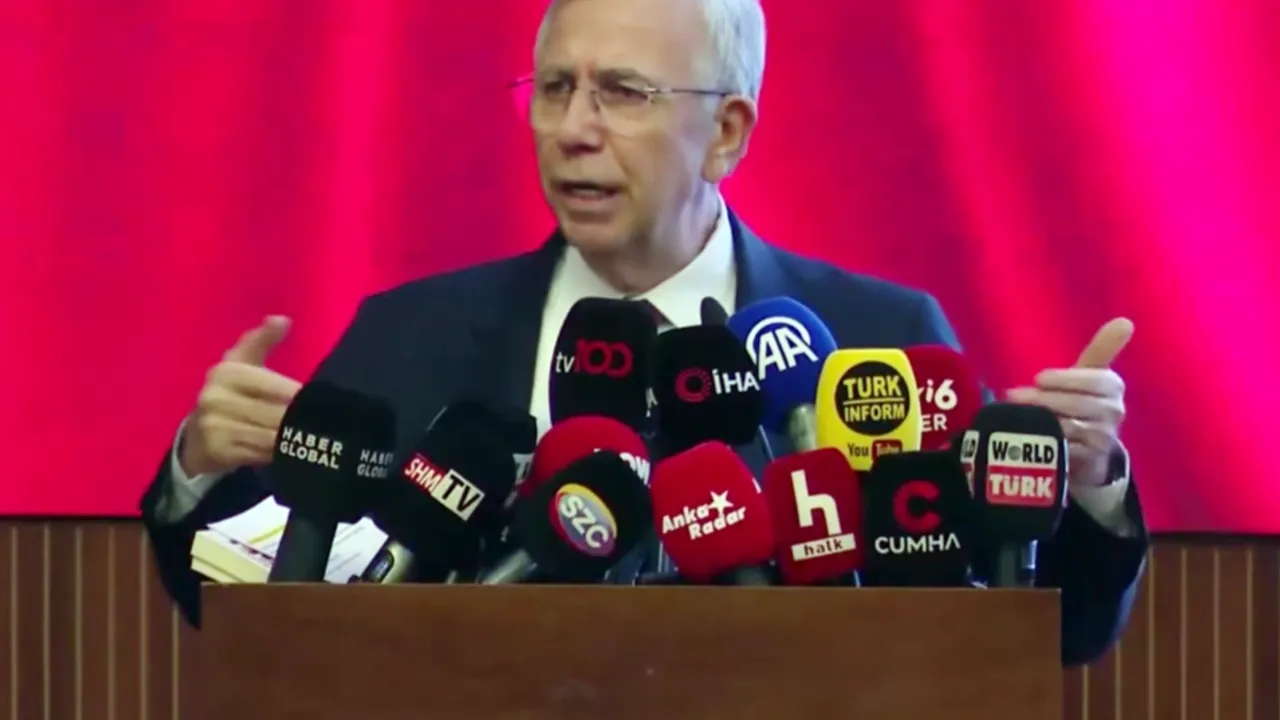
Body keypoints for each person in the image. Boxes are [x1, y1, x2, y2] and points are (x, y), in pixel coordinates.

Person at [139, 0, 1148, 665]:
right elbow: (256, 616)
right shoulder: (413, 337)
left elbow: (1046, 636)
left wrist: (1088, 481)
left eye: (621, 93)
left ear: (726, 133)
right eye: (553, 88)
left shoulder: (875, 338)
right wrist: (201, 471)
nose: (572, 129)